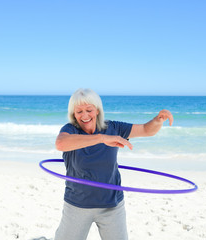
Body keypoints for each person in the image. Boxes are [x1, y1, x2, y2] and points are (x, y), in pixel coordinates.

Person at [54, 88, 173, 240]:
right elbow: (61, 144)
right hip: (78, 203)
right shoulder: (70, 130)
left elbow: (146, 130)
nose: (84, 115)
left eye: (89, 110)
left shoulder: (113, 128)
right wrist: (101, 138)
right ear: (73, 114)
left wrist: (158, 120)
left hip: (111, 205)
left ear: (97, 110)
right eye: (79, 112)